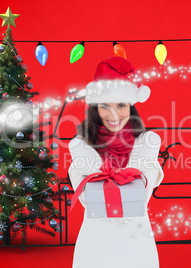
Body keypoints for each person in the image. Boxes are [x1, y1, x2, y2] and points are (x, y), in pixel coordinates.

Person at [68, 57, 164, 268]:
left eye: (121, 105)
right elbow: (88, 201)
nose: (113, 115)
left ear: (131, 105)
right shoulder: (82, 147)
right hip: (96, 242)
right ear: (95, 107)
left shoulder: (145, 145)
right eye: (105, 106)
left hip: (136, 242)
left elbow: (140, 199)